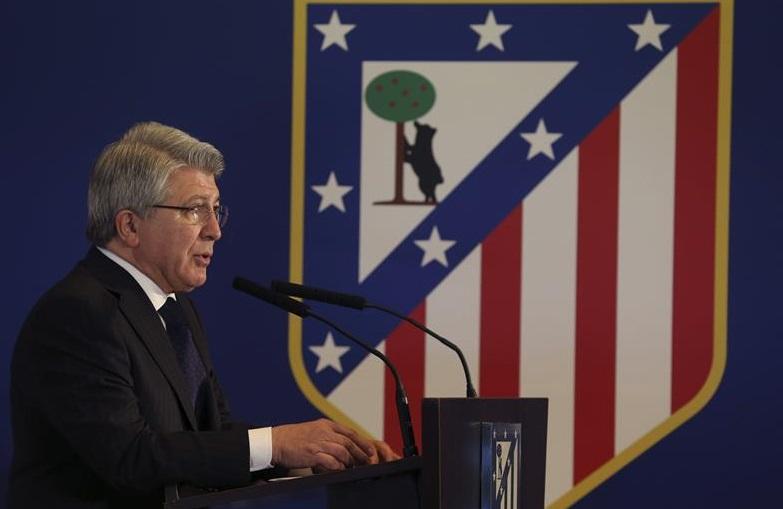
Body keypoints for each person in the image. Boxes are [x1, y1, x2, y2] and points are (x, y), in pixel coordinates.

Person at [8, 122, 397, 508]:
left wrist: (313, 456)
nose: (214, 230)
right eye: (194, 210)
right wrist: (276, 444)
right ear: (130, 225)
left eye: (215, 210)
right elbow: (129, 457)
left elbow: (209, 436)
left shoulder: (175, 307)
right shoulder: (78, 313)